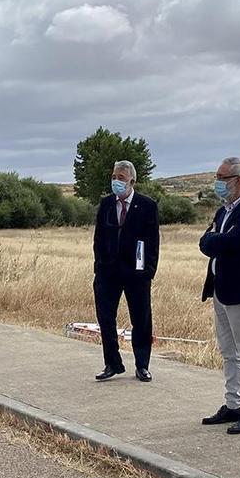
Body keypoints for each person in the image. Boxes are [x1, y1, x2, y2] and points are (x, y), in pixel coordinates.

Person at [199, 157, 240, 435]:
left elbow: (230, 243)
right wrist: (215, 241)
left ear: (237, 181)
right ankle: (232, 404)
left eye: (221, 177)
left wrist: (215, 241)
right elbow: (207, 241)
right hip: (220, 288)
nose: (217, 182)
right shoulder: (223, 210)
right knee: (229, 352)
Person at [92, 160, 160, 382]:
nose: (116, 181)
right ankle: (112, 362)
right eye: (113, 177)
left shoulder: (147, 205)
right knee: (105, 318)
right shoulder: (106, 204)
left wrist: (148, 271)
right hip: (108, 272)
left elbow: (152, 242)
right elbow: (99, 238)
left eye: (120, 178)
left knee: (141, 319)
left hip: (136, 273)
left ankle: (142, 365)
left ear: (132, 180)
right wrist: (99, 266)